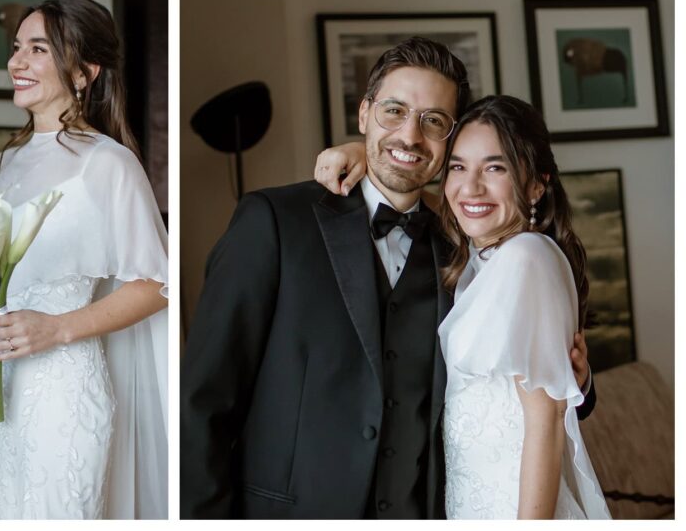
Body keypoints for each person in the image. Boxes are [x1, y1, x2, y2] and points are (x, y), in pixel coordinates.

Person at [180, 37, 592, 519]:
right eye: (394, 111)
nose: (410, 136)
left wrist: (580, 383)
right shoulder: (274, 222)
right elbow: (203, 401)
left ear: (449, 138)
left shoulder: (464, 248)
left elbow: (522, 384)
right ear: (364, 114)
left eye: (433, 121)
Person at [0, 0, 168, 519]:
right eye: (17, 47)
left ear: (84, 72)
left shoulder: (109, 164)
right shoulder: (6, 162)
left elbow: (156, 284)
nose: (16, 62)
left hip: (62, 391)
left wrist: (58, 328)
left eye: (38, 49)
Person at [435, 95, 609, 518]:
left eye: (495, 168)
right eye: (458, 166)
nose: (470, 187)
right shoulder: (484, 261)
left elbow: (545, 421)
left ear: (536, 184)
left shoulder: (524, 258)